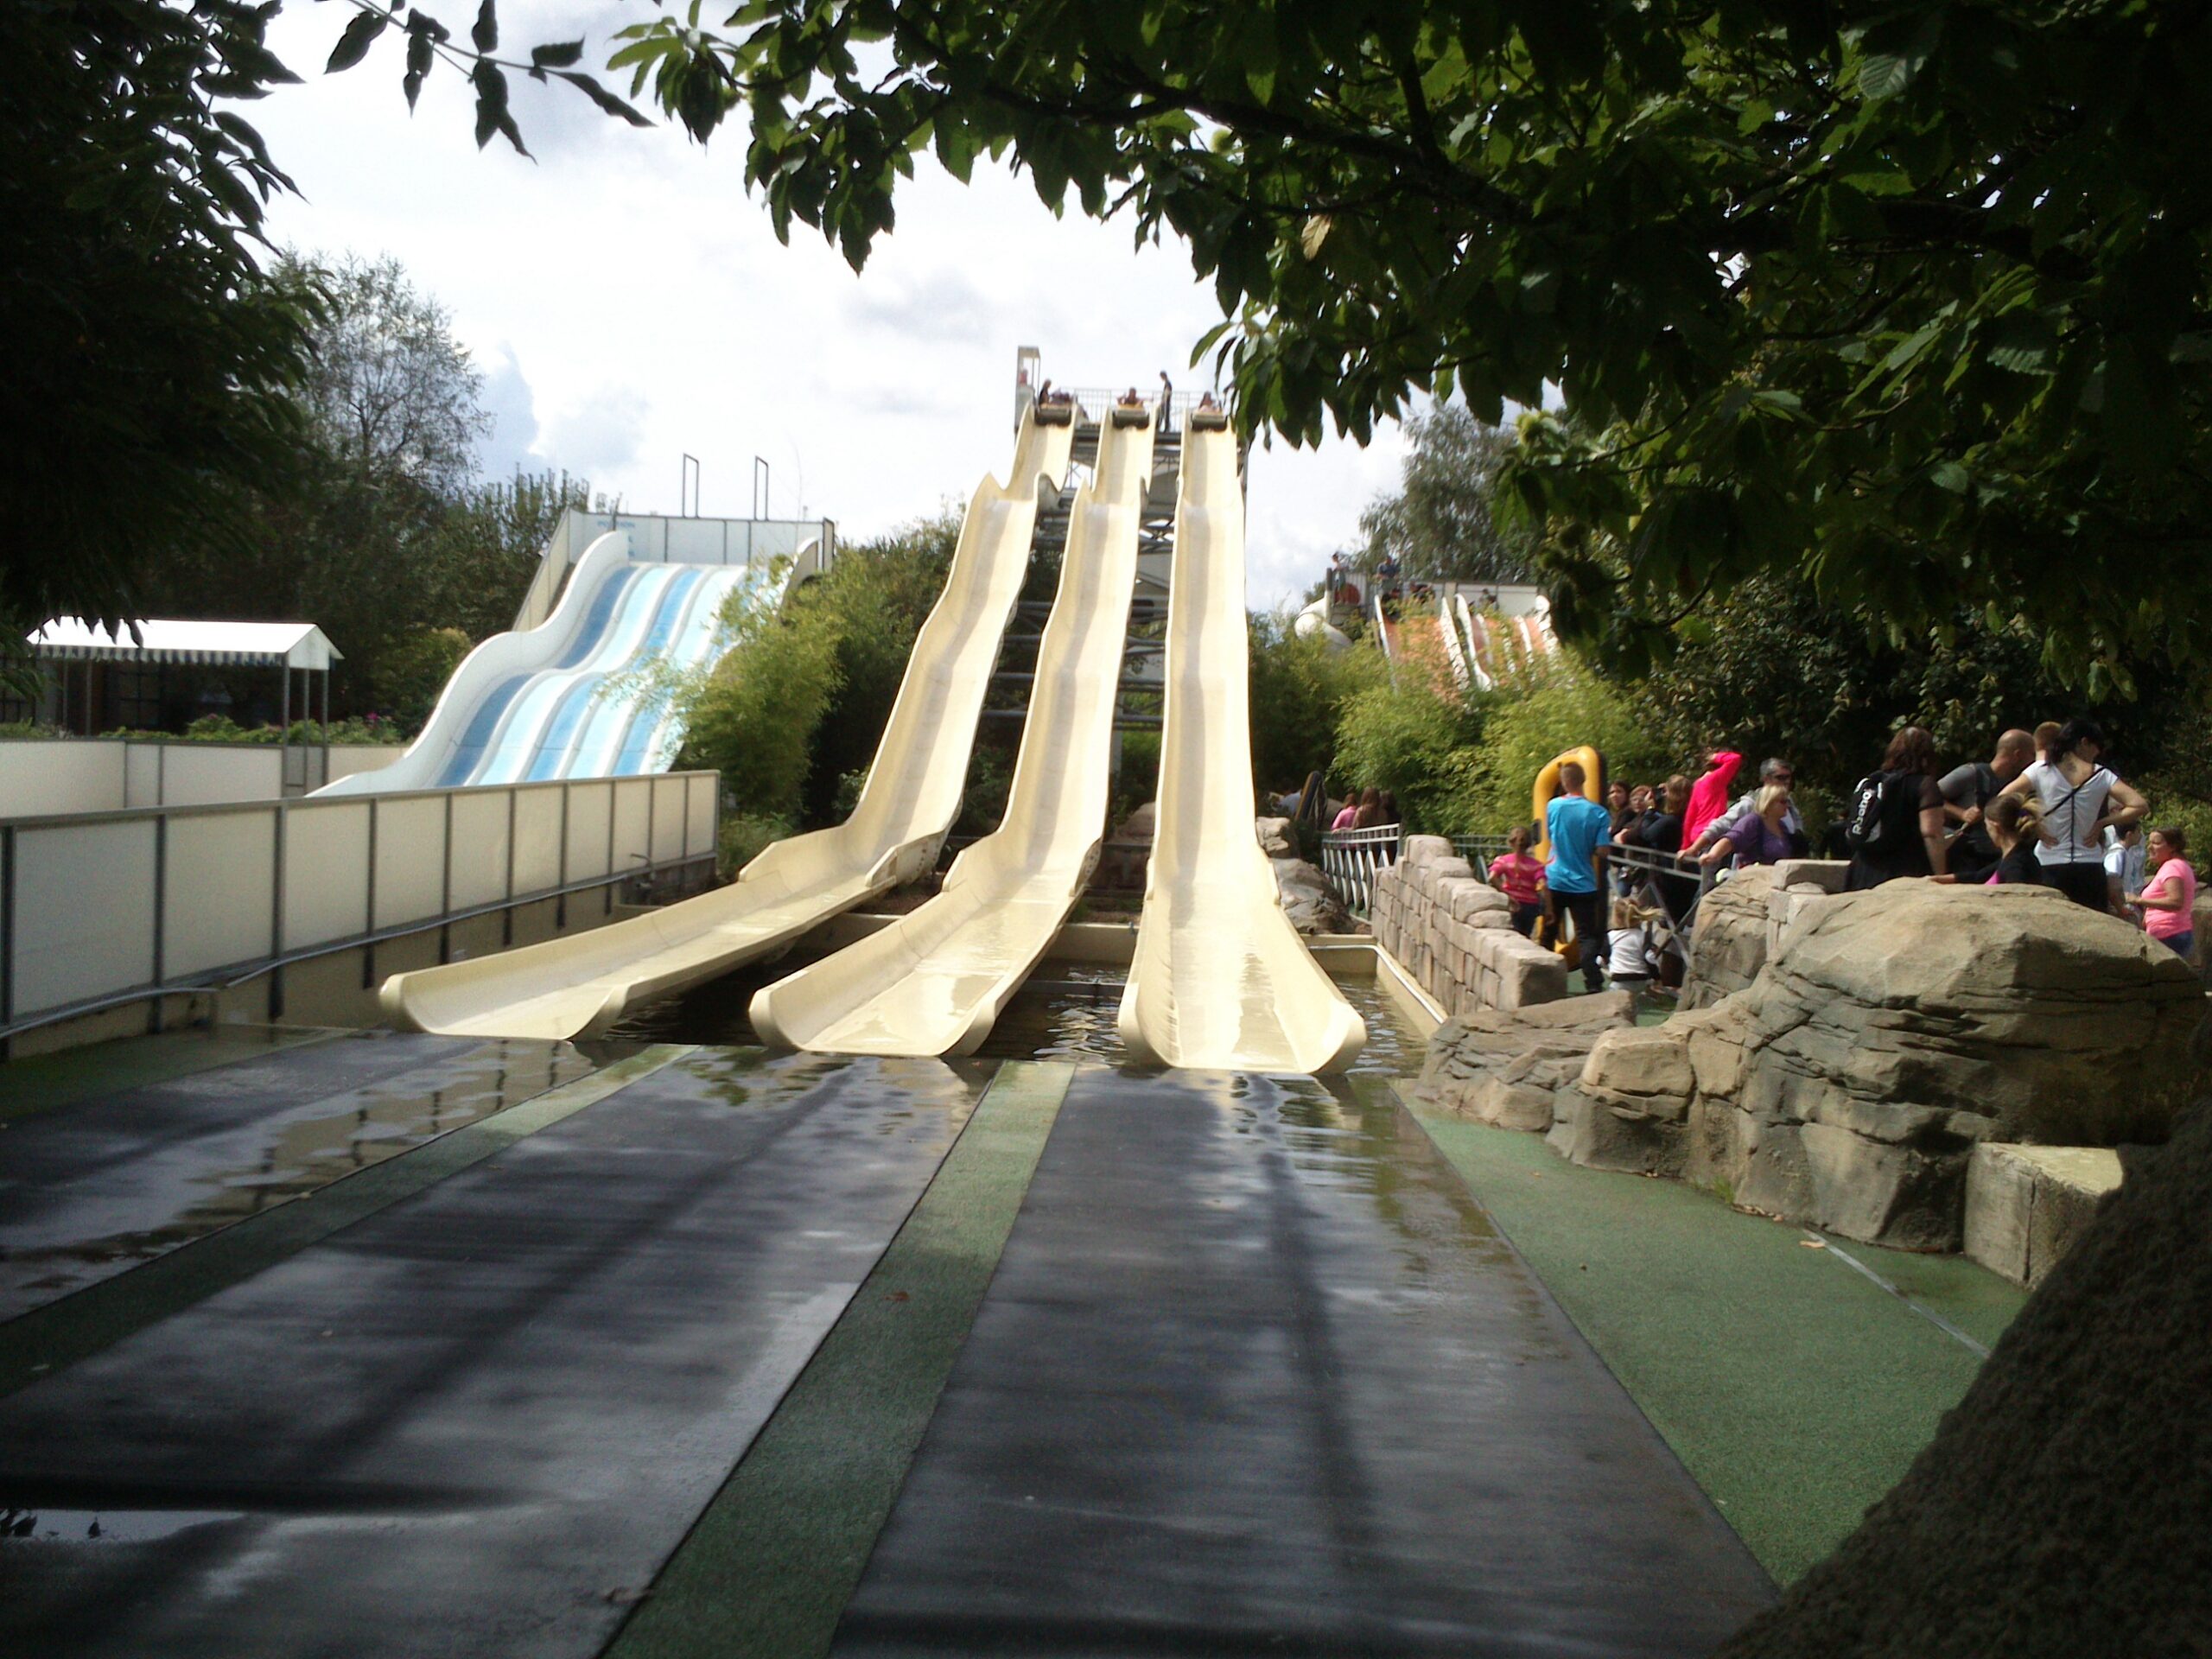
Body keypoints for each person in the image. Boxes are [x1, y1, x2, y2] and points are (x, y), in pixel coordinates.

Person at [1999, 717, 2148, 912]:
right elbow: (2139, 805)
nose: (2097, 753)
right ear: (2084, 743)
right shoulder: (2101, 774)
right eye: (2096, 747)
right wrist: (2102, 823)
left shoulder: (2040, 770)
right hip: (2089, 863)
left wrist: (2032, 821)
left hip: (2048, 860)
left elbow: (2003, 800)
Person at [1845, 725, 1948, 889]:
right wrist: (1941, 875)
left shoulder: (1874, 781)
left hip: (1862, 869)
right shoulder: (1924, 784)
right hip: (1903, 870)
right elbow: (1931, 832)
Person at [1545, 760, 1613, 991]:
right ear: (1583, 780)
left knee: (1549, 930)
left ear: (1563, 783)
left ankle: (1542, 977)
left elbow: (1550, 836)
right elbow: (1602, 851)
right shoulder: (1599, 813)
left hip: (1554, 878)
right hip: (1583, 883)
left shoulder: (1553, 806)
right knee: (1586, 935)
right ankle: (1593, 982)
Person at [1940, 729, 2038, 883]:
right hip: (1967, 859)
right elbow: (1929, 800)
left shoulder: (2021, 783)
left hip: (2001, 860)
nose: (2034, 760)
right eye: (2032, 754)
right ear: (2018, 755)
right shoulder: (1971, 774)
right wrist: (1962, 814)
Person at [1688, 757, 1805, 856]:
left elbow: (1796, 828)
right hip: (1753, 870)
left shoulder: (1789, 803)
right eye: (1780, 777)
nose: (1786, 781)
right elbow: (1722, 826)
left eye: (1788, 777)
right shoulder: (1751, 804)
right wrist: (1694, 848)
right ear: (1766, 779)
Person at [2126, 827, 2197, 958]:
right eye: (2150, 842)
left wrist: (2138, 900)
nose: (2149, 847)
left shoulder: (2172, 867)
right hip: (2172, 934)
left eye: (2156, 843)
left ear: (2173, 846)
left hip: (2169, 935)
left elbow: (2176, 902)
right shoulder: (2177, 865)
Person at [1701, 783, 1796, 869]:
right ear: (1768, 803)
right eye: (1783, 802)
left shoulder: (1782, 827)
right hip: (1752, 878)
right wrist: (1713, 855)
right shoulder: (1753, 822)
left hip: (1775, 878)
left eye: (1787, 802)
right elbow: (1730, 840)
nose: (1787, 805)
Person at [1488, 825, 1548, 937]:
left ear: (1510, 842)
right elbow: (1543, 885)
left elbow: (1492, 877)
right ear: (1529, 844)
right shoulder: (1536, 865)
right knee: (1525, 936)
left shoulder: (1503, 861)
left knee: (1511, 935)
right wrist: (1549, 908)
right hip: (1530, 905)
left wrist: (1507, 894)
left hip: (1511, 903)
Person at [1681, 751, 1743, 848]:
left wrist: (1686, 846)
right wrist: (1715, 756)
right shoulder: (1716, 779)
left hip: (1697, 836)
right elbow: (1734, 759)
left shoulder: (1698, 783)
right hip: (1711, 836)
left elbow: (1690, 816)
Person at [1982, 795, 2045, 887]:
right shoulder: (2015, 855)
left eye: (1987, 826)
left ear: (1996, 827)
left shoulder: (2015, 866)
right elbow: (1979, 875)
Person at [1605, 896, 1659, 991]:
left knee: (1615, 998)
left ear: (1615, 918)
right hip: (1641, 979)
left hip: (1619, 979)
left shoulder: (1610, 935)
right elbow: (1649, 957)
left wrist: (1608, 965)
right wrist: (1657, 977)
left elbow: (1600, 960)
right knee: (1637, 997)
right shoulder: (1643, 936)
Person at [2106, 823, 2148, 917]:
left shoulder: (2125, 853)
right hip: (2120, 907)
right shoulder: (2117, 853)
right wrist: (2120, 908)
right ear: (2129, 835)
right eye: (2138, 831)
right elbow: (2111, 881)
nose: (2140, 835)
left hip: (2128, 905)